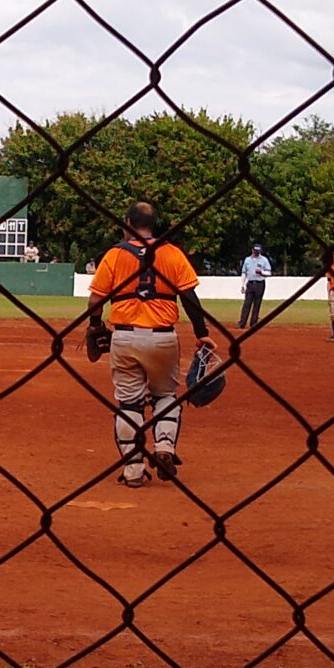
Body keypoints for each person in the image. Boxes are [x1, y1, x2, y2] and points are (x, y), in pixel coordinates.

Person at [86, 203, 217, 487]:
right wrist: (201, 332)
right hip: (163, 337)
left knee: (129, 402)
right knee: (165, 395)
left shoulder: (116, 254)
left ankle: (133, 469)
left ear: (127, 222)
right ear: (152, 223)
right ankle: (165, 447)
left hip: (125, 336)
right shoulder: (172, 252)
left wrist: (95, 324)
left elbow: (95, 300)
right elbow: (190, 298)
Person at [238, 243, 272, 330]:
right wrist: (242, 284)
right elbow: (244, 272)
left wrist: (261, 273)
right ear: (252, 250)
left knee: (257, 304)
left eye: (258, 251)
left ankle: (254, 323)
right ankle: (242, 322)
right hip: (250, 283)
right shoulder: (247, 260)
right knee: (247, 304)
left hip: (260, 283)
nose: (257, 253)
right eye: (255, 251)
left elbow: (269, 273)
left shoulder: (264, 260)